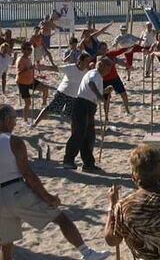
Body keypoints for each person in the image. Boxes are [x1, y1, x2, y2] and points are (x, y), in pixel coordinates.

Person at [0, 104, 110, 260]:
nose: (15, 123)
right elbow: (28, 175)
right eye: (13, 119)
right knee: (61, 218)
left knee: (6, 243)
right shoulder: (13, 141)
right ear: (5, 120)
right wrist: (48, 197)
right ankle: (86, 252)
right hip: (15, 190)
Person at [63, 58, 113, 172]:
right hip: (82, 105)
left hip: (89, 106)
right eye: (108, 67)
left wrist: (104, 92)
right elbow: (91, 84)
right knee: (79, 134)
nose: (109, 71)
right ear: (101, 65)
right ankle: (68, 160)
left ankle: (88, 164)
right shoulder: (94, 73)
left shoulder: (97, 76)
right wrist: (101, 97)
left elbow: (93, 90)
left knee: (88, 136)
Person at [32, 52, 91, 127]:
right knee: (50, 109)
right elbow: (56, 68)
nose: (88, 63)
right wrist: (44, 67)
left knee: (72, 115)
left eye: (88, 61)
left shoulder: (87, 71)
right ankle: (35, 123)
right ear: (81, 61)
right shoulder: (71, 67)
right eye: (86, 61)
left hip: (74, 96)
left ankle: (76, 130)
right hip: (63, 93)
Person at [99, 42, 140, 118]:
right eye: (102, 49)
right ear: (99, 50)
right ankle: (106, 117)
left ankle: (127, 110)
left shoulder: (110, 55)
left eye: (105, 48)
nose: (104, 50)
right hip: (104, 81)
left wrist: (128, 65)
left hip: (115, 79)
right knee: (107, 99)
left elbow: (119, 52)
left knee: (124, 94)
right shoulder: (98, 59)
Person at [15, 41, 49, 124]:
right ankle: (25, 120)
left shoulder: (29, 59)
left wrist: (34, 70)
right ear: (22, 50)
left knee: (45, 89)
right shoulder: (20, 60)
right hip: (22, 82)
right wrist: (30, 69)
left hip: (30, 80)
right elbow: (20, 73)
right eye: (27, 49)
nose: (29, 51)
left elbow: (30, 69)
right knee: (28, 103)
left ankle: (43, 105)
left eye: (30, 49)